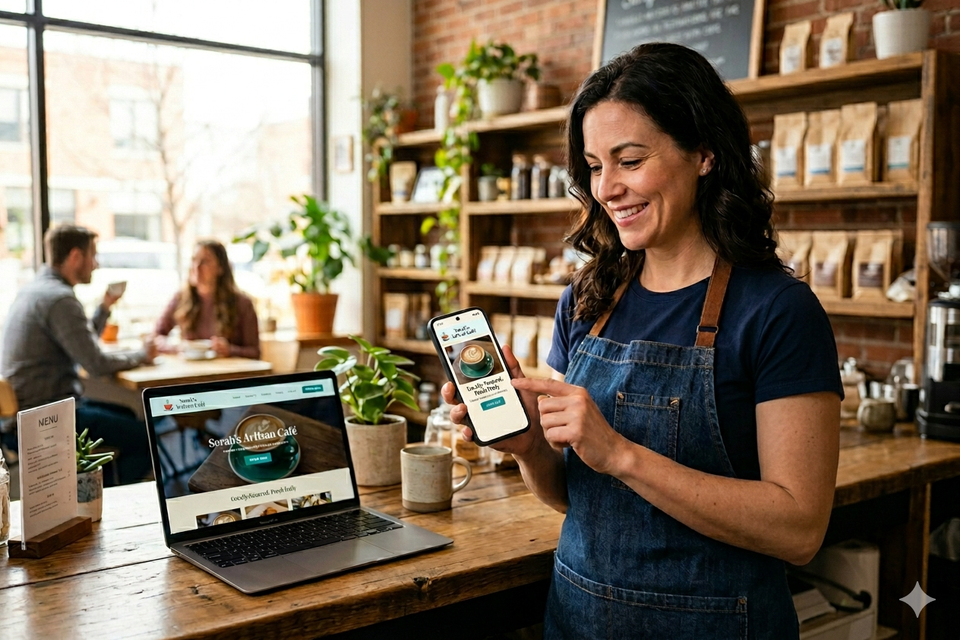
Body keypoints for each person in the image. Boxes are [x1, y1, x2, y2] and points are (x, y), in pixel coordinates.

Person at [442, 43, 842, 639]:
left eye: (629, 161)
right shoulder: (586, 301)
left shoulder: (779, 311)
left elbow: (799, 529)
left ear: (703, 153)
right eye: (595, 167)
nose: (607, 188)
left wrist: (621, 454)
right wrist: (529, 447)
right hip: (579, 620)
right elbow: (579, 501)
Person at [1, 224, 157, 486]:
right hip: (43, 418)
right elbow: (95, 363)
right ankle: (88, 493)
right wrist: (143, 355)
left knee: (129, 416)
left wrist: (105, 307)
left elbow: (80, 344)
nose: (95, 265)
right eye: (93, 255)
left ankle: (92, 489)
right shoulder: (60, 299)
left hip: (22, 414)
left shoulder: (37, 290)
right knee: (147, 439)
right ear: (76, 257)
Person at [152, 240, 260, 359]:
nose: (196, 267)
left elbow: (255, 352)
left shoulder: (242, 303)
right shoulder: (181, 298)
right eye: (194, 260)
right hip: (190, 373)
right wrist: (178, 348)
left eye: (205, 262)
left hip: (228, 373)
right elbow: (156, 337)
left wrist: (230, 350)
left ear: (220, 268)